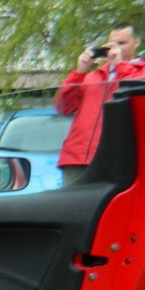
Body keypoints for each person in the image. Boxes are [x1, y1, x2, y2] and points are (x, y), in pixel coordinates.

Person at [55, 22, 144, 184]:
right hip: (77, 158)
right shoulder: (92, 77)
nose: (115, 49)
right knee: (73, 207)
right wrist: (80, 71)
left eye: (122, 44)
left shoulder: (141, 72)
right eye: (112, 44)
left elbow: (136, 93)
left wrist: (120, 65)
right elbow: (63, 107)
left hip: (117, 159)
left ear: (136, 43)